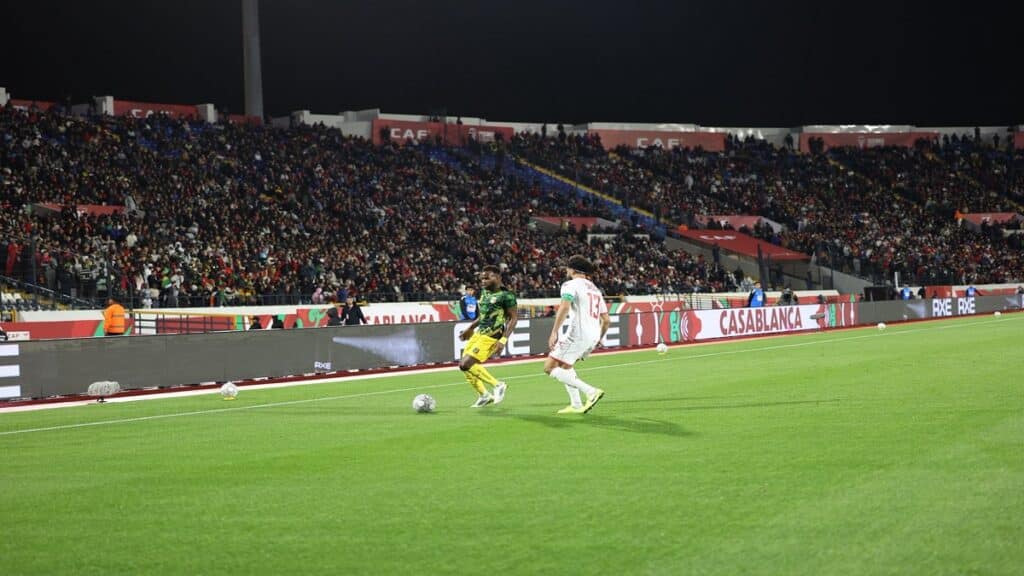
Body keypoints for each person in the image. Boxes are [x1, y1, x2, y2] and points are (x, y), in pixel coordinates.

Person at [545, 255, 609, 415]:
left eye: (567, 268)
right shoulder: (595, 289)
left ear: (572, 269)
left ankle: (591, 391)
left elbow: (565, 307)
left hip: (578, 333)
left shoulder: (570, 284)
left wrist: (554, 332)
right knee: (566, 366)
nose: (566, 270)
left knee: (549, 367)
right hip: (593, 334)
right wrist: (598, 339)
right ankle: (575, 404)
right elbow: (606, 320)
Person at [458, 265, 517, 407]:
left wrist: (503, 340)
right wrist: (470, 327)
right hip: (479, 334)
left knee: (465, 364)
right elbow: (483, 315)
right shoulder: (485, 292)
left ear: (498, 277)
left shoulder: (506, 296)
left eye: (487, 277)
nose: (483, 281)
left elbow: (513, 318)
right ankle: (484, 395)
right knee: (465, 366)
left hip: (492, 336)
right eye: (482, 278)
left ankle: (498, 385)